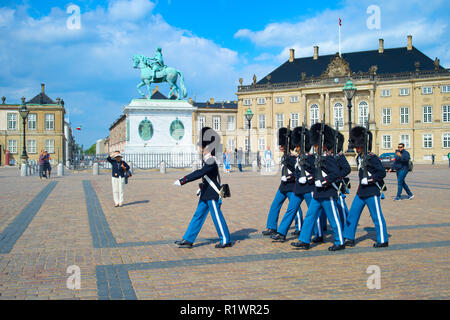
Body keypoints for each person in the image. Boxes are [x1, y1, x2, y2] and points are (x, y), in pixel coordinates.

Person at [173, 127, 232, 249]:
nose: (200, 149)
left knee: (217, 217)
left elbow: (200, 173)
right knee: (198, 215)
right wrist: (201, 187)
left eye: (202, 146)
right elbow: (206, 176)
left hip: (212, 193)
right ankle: (189, 239)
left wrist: (183, 180)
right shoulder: (207, 159)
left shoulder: (210, 160)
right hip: (206, 192)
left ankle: (226, 240)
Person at [290, 123, 345, 251]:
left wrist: (325, 181)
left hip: (328, 192)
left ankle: (339, 241)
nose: (314, 147)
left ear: (323, 145)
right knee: (310, 216)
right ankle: (304, 240)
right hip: (318, 192)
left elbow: (335, 173)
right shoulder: (317, 158)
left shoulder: (328, 158)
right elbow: (314, 172)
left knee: (333, 218)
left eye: (316, 144)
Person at [343, 126, 389, 248]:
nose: (356, 149)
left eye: (358, 146)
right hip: (361, 191)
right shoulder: (359, 158)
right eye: (356, 146)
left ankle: (383, 239)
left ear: (363, 145)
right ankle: (349, 237)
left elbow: (381, 173)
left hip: (372, 191)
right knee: (352, 214)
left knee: (376, 216)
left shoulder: (372, 157)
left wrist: (370, 179)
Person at [270, 126, 315, 242]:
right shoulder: (298, 157)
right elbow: (296, 172)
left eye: (298, 146)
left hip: (309, 188)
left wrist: (307, 178)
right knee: (290, 210)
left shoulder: (310, 158)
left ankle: (318, 232)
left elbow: (316, 173)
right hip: (298, 188)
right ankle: (281, 233)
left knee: (313, 211)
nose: (296, 148)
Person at [261, 128, 297, 237]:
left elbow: (297, 172)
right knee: (275, 205)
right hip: (283, 186)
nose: (280, 147)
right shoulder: (285, 156)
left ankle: (299, 226)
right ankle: (271, 226)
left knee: (295, 208)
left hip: (291, 186)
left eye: (282, 145)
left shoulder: (291, 158)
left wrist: (290, 177)